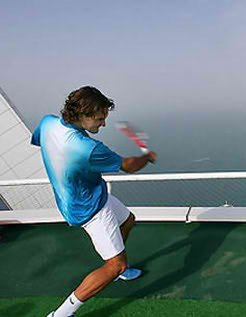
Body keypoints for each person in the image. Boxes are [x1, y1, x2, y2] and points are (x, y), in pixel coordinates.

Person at [31, 86, 157, 317]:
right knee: (114, 265)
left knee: (128, 220)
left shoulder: (48, 123)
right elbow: (128, 165)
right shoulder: (87, 148)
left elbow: (45, 144)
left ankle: (119, 263)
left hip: (92, 195)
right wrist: (146, 158)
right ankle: (61, 314)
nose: (103, 124)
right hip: (90, 209)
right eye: (100, 119)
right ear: (84, 115)